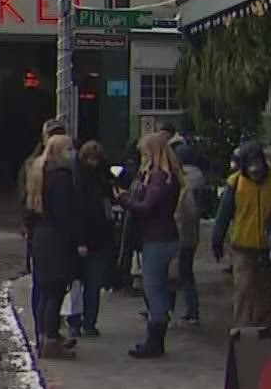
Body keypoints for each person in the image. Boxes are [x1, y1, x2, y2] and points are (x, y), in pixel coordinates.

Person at [213, 142, 271, 328]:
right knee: (244, 289)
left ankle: (266, 327)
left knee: (268, 291)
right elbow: (223, 214)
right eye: (250, 164)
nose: (254, 169)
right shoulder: (235, 183)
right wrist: (217, 239)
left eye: (257, 162)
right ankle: (241, 331)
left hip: (270, 247)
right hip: (243, 245)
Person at [121, 131, 182, 358]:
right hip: (166, 236)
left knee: (153, 290)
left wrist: (124, 199)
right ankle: (155, 340)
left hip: (156, 239)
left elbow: (147, 207)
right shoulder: (169, 176)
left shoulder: (158, 177)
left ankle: (154, 342)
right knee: (159, 289)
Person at [27, 133, 85, 359]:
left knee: (44, 290)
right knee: (56, 290)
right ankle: (50, 339)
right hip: (57, 238)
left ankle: (44, 336)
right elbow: (65, 213)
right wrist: (77, 239)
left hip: (41, 236)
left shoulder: (38, 172)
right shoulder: (61, 177)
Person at [70, 140, 118, 338]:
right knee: (88, 284)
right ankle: (85, 322)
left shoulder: (80, 179)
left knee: (82, 284)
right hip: (94, 237)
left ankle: (81, 322)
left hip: (92, 238)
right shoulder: (100, 179)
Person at [171, 135, 209, 324]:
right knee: (186, 272)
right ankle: (191, 310)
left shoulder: (181, 178)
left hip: (179, 229)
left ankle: (168, 310)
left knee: (174, 272)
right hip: (192, 231)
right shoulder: (199, 177)